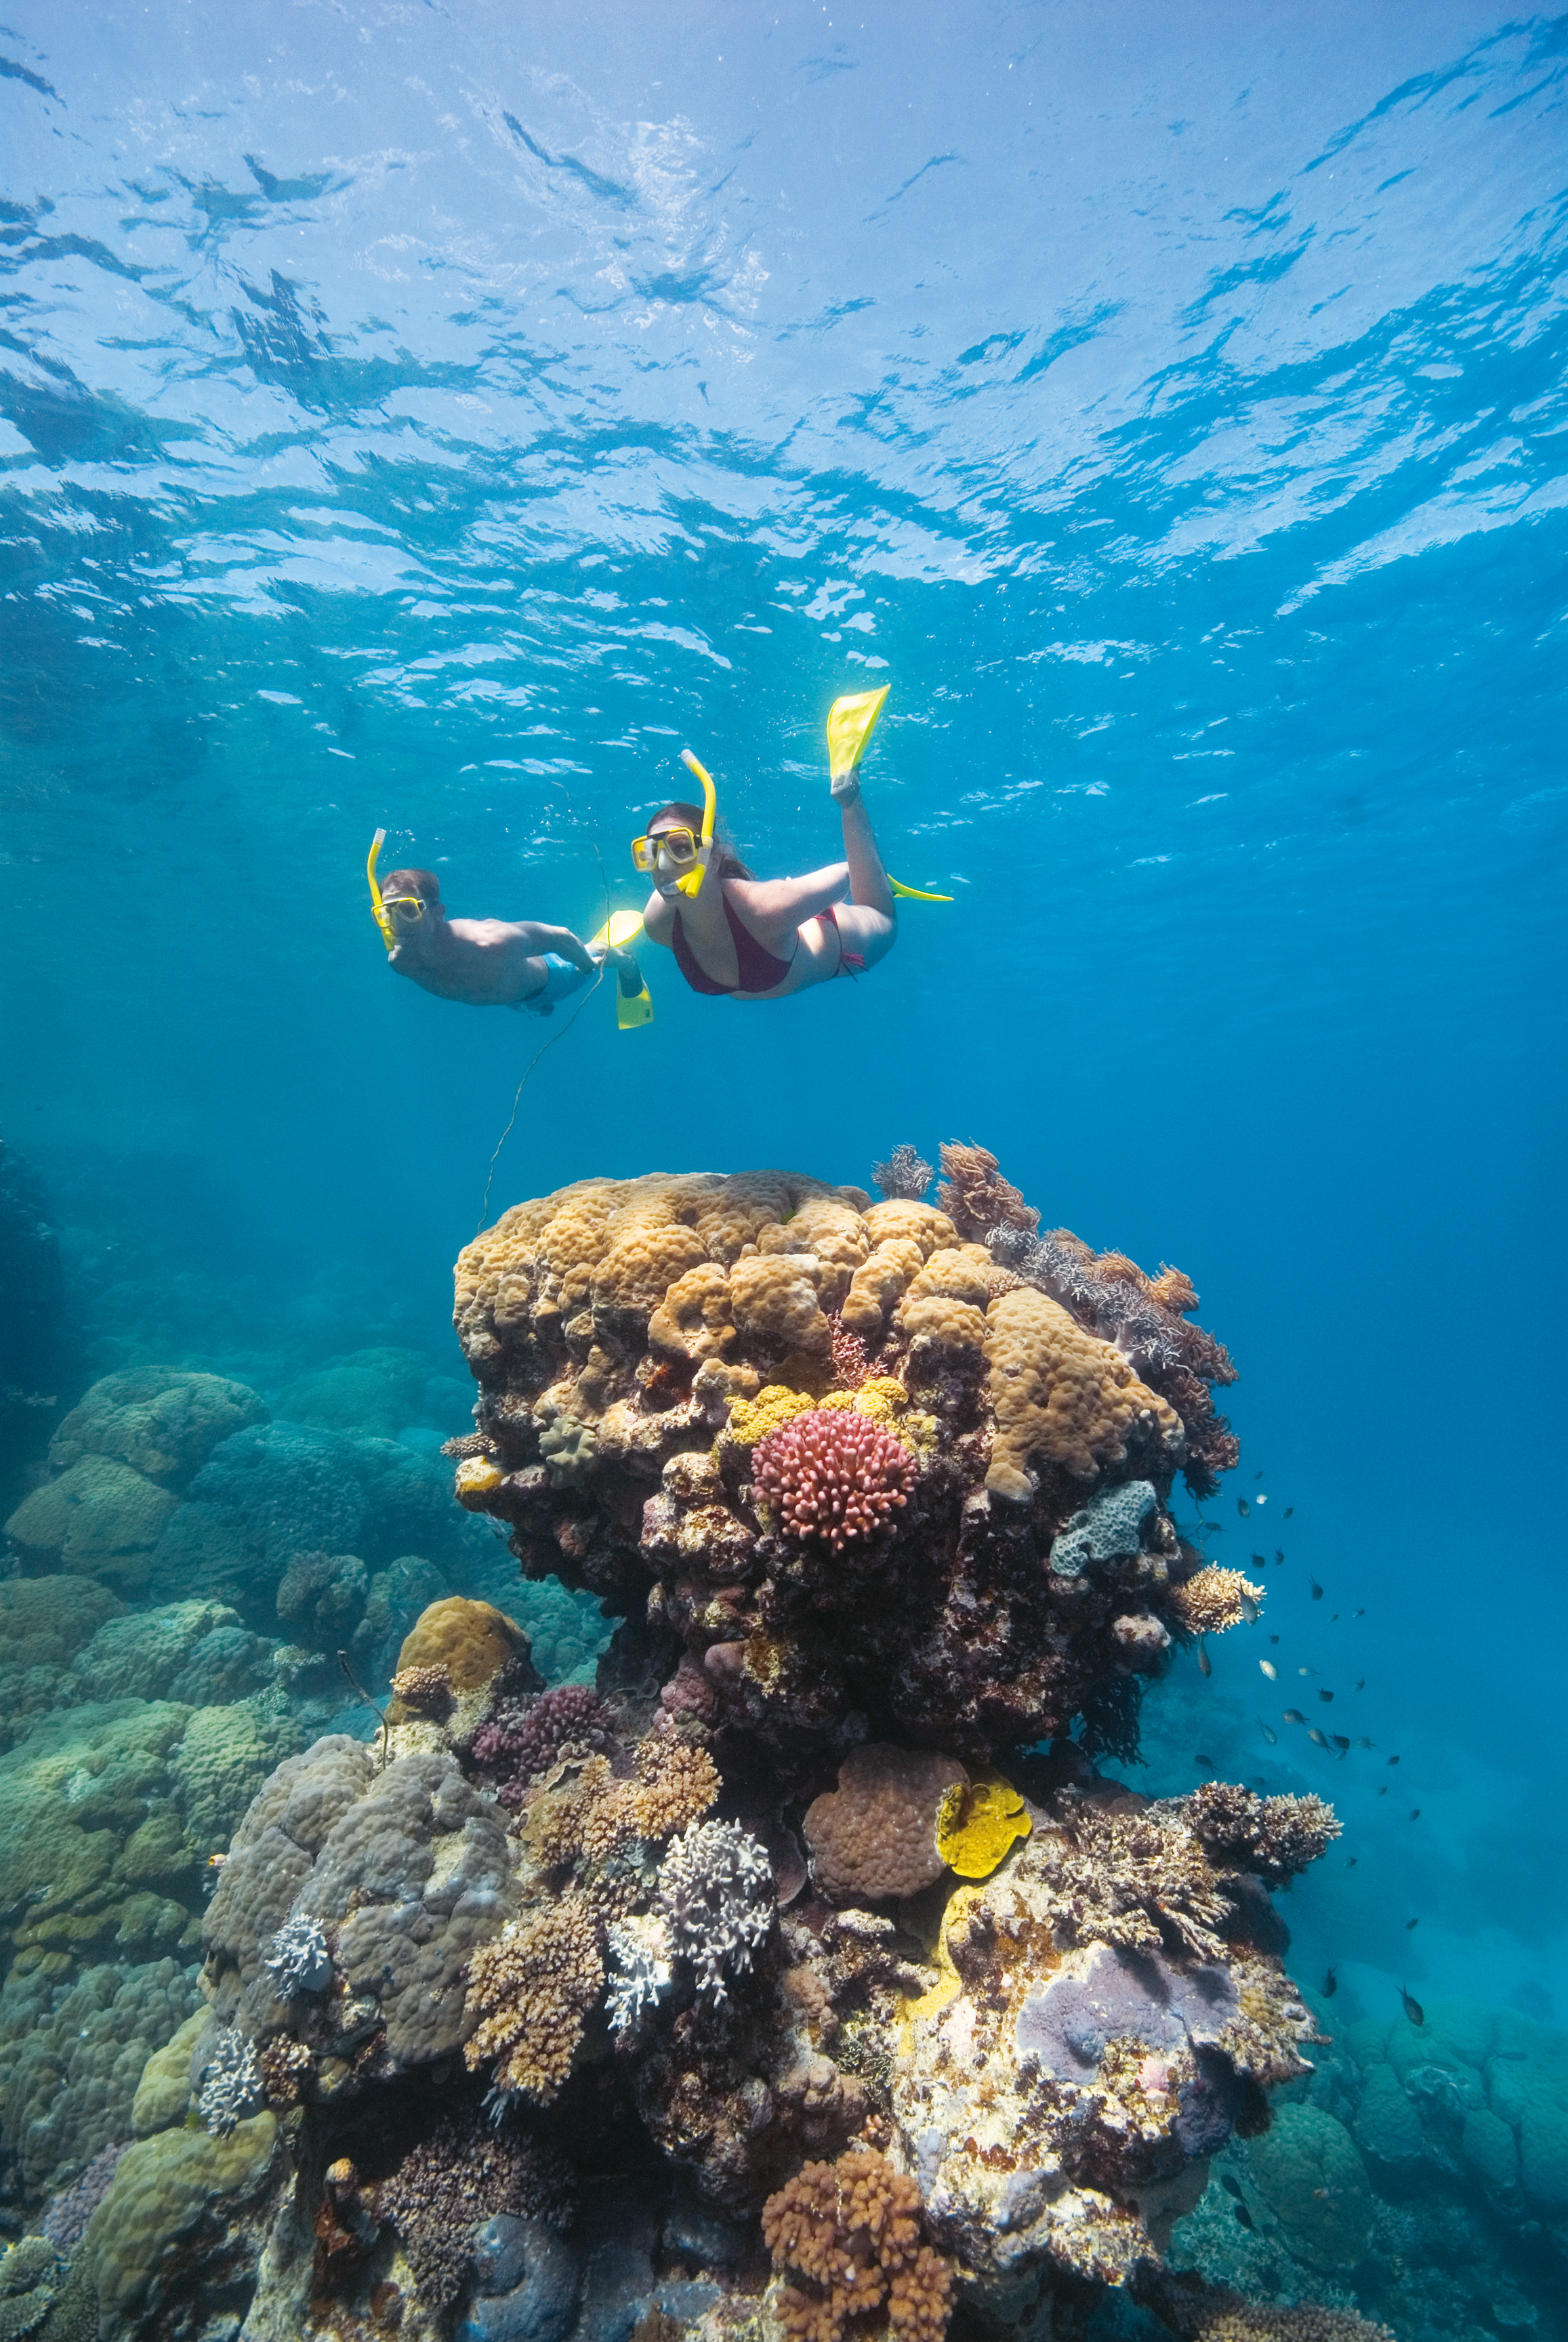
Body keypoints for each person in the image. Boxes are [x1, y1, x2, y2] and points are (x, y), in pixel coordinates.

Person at [634, 694, 899, 1002]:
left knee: (886, 919)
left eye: (680, 848)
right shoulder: (658, 922)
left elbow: (846, 875)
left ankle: (849, 799)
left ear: (714, 858)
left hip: (842, 942)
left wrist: (798, 899)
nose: (662, 866)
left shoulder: (768, 908)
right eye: (649, 854)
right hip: (790, 921)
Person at [374, 865, 640, 1017]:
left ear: (437, 912)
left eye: (408, 910)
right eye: (386, 912)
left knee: (594, 953)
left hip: (555, 978)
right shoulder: (401, 963)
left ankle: (626, 963)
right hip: (514, 999)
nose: (397, 923)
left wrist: (586, 965)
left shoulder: (490, 942)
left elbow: (559, 937)